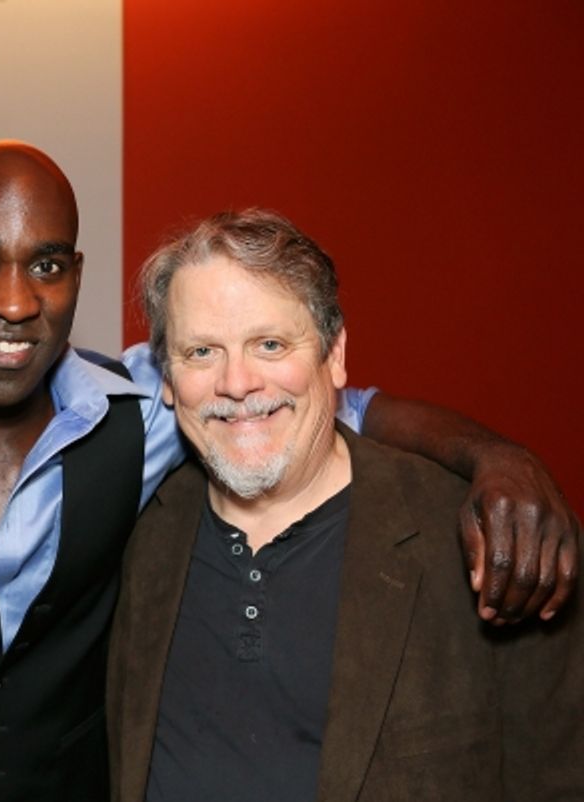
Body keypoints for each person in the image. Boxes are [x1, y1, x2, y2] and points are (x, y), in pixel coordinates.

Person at [0, 142, 579, 802]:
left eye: (48, 265)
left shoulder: (143, 409)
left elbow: (318, 405)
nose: (16, 300)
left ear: (76, 278)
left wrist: (496, 457)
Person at [106, 209, 583, 801]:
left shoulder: (483, 543)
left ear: (334, 357)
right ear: (168, 379)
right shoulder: (133, 533)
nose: (236, 383)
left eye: (270, 344)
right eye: (201, 352)